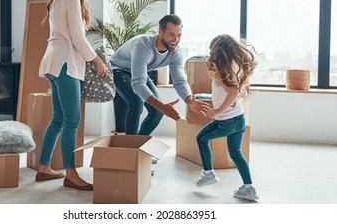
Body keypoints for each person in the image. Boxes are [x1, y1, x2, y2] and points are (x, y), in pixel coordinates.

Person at [35, 0, 107, 191]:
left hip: (54, 63)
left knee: (58, 119)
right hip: (66, 63)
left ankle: (44, 167)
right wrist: (97, 60)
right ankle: (71, 174)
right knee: (72, 120)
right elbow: (77, 37)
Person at [109, 14, 210, 136]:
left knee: (157, 112)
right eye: (172, 34)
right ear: (160, 32)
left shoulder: (176, 52)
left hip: (139, 72)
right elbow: (138, 84)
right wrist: (163, 107)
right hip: (119, 69)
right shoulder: (143, 45)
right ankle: (130, 148)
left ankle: (138, 144)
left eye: (179, 35)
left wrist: (190, 100)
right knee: (137, 103)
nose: (176, 39)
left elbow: (179, 80)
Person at [193, 34, 259, 201]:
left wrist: (216, 111)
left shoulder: (220, 71)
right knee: (236, 152)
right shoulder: (236, 65)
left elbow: (233, 91)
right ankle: (249, 188)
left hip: (226, 121)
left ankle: (208, 173)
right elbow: (235, 90)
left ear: (217, 51)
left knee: (201, 138)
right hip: (239, 118)